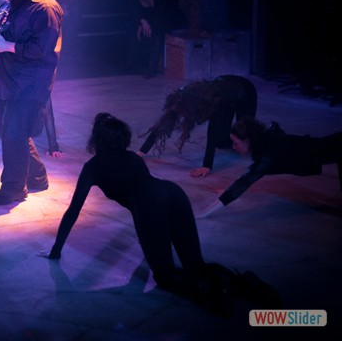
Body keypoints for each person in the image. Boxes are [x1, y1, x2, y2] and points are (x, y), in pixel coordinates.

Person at [42, 113, 281, 316]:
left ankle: (209, 295)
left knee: (164, 276)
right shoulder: (134, 159)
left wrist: (56, 250)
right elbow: (147, 193)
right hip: (174, 193)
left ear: (97, 139)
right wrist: (150, 232)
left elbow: (74, 211)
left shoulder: (93, 167)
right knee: (196, 265)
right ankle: (248, 287)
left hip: (150, 204)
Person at [0, 0, 63, 204]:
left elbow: (41, 50)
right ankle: (36, 177)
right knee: (12, 131)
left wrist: (8, 47)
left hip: (30, 83)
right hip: (8, 78)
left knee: (14, 133)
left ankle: (13, 188)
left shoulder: (46, 8)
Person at [197, 116, 342, 218]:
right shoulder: (265, 139)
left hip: (327, 149)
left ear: (247, 141)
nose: (233, 147)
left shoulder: (266, 157)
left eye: (236, 143)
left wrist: (204, 212)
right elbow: (275, 127)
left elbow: (244, 182)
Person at [138, 75, 258, 177]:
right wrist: (141, 152)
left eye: (183, 114)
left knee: (244, 131)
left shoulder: (213, 103)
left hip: (244, 91)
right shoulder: (180, 99)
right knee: (221, 141)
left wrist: (207, 165)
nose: (181, 116)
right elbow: (163, 125)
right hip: (226, 89)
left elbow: (213, 130)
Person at [126, 0, 184, 78]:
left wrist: (145, 23)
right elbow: (135, 14)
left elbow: (161, 15)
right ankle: (142, 64)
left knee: (156, 31)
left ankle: (153, 66)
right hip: (150, 26)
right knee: (143, 32)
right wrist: (142, 22)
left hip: (165, 22)